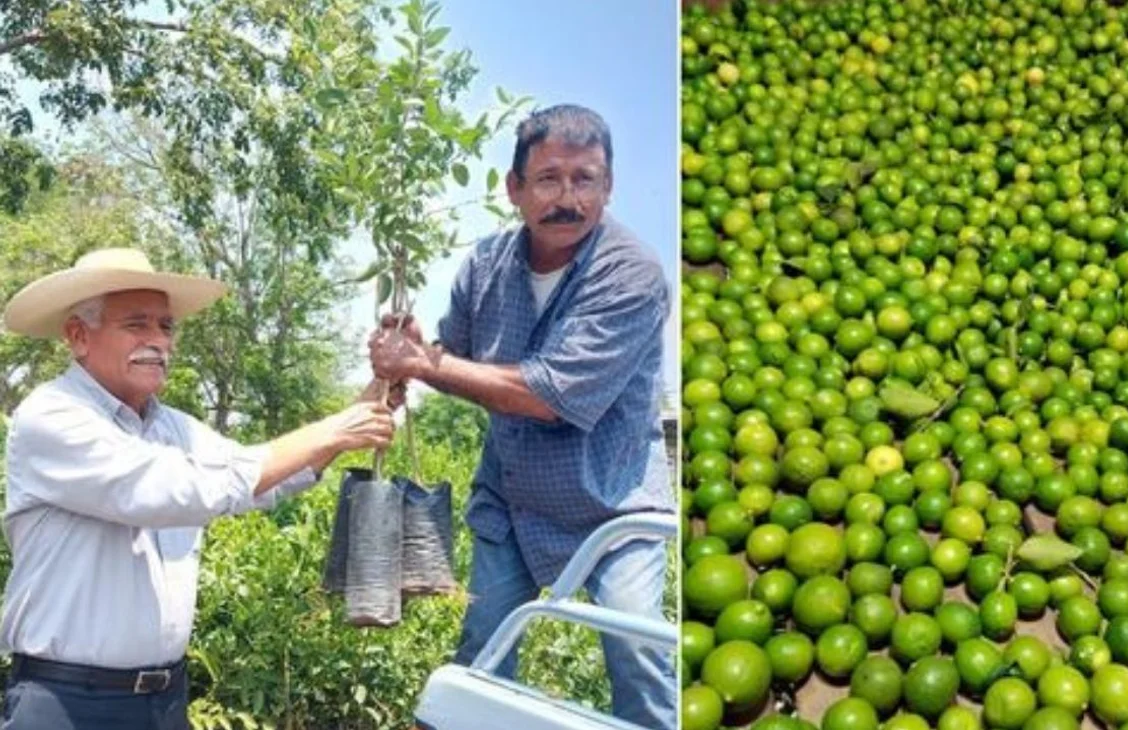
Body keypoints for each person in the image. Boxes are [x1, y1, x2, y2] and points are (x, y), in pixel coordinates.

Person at [368, 104, 675, 729]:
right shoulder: (485, 267)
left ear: (609, 185)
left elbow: (548, 396)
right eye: (549, 179)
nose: (569, 198)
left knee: (638, 650)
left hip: (613, 506)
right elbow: (454, 357)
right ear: (514, 188)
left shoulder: (632, 274)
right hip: (514, 504)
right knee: (483, 648)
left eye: (586, 179)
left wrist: (423, 363)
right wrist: (418, 351)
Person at [0, 248, 397, 730]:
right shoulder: (53, 417)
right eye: (136, 324)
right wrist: (333, 430)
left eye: (166, 327)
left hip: (164, 701)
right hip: (67, 704)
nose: (157, 341)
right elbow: (178, 490)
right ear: (78, 335)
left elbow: (262, 480)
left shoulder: (175, 428)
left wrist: (374, 395)